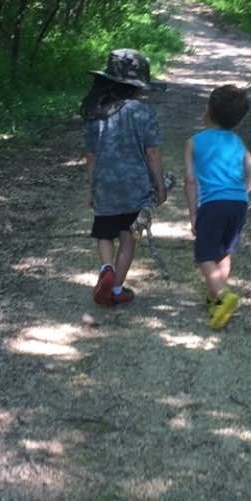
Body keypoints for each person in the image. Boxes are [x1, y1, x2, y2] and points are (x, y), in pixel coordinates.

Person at [82, 48, 167, 307]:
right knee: (129, 238)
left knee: (105, 234)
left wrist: (92, 188)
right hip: (136, 188)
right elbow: (152, 153)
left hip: (105, 186)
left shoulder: (95, 113)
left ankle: (106, 268)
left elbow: (91, 158)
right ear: (137, 86)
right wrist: (160, 186)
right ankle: (116, 288)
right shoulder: (143, 112)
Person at [184, 83, 251, 329]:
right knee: (223, 252)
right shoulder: (237, 142)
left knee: (205, 254)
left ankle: (223, 294)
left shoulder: (194, 142)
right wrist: (241, 192)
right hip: (238, 204)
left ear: (207, 110)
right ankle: (215, 299)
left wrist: (194, 212)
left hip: (212, 205)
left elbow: (189, 180)